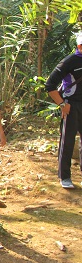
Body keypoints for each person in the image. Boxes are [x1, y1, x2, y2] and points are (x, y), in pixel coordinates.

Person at [45, 32, 82, 189]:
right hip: (71, 105)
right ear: (79, 46)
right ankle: (64, 177)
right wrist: (61, 104)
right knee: (67, 141)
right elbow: (50, 85)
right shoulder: (69, 61)